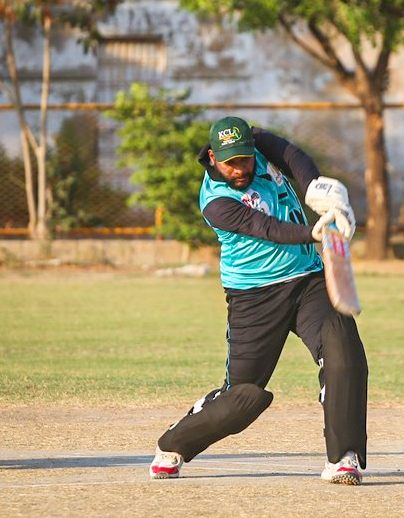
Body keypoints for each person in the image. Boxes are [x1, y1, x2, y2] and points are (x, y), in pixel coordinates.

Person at [149, 116, 368, 485]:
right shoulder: (216, 202)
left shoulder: (258, 143)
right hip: (255, 297)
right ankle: (174, 443)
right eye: (231, 163)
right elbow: (264, 228)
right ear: (213, 158)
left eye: (245, 159)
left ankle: (343, 458)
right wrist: (315, 232)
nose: (240, 168)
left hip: (308, 279)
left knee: (344, 353)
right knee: (242, 399)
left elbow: (292, 155)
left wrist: (315, 187)